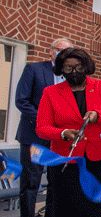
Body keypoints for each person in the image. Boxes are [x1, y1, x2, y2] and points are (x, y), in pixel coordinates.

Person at [36, 48, 101, 217]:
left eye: (78, 67)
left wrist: (99, 115)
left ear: (86, 66)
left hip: (100, 157)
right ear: (60, 70)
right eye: (68, 68)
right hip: (66, 159)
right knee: (67, 206)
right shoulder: (50, 93)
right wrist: (63, 133)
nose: (74, 72)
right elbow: (42, 128)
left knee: (96, 207)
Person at [14, 38, 72, 217]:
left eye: (67, 51)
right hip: (34, 137)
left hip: (59, 140)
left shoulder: (72, 77)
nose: (63, 54)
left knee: (55, 184)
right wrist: (44, 121)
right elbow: (21, 100)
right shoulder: (34, 69)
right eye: (59, 50)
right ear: (50, 51)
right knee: (31, 183)